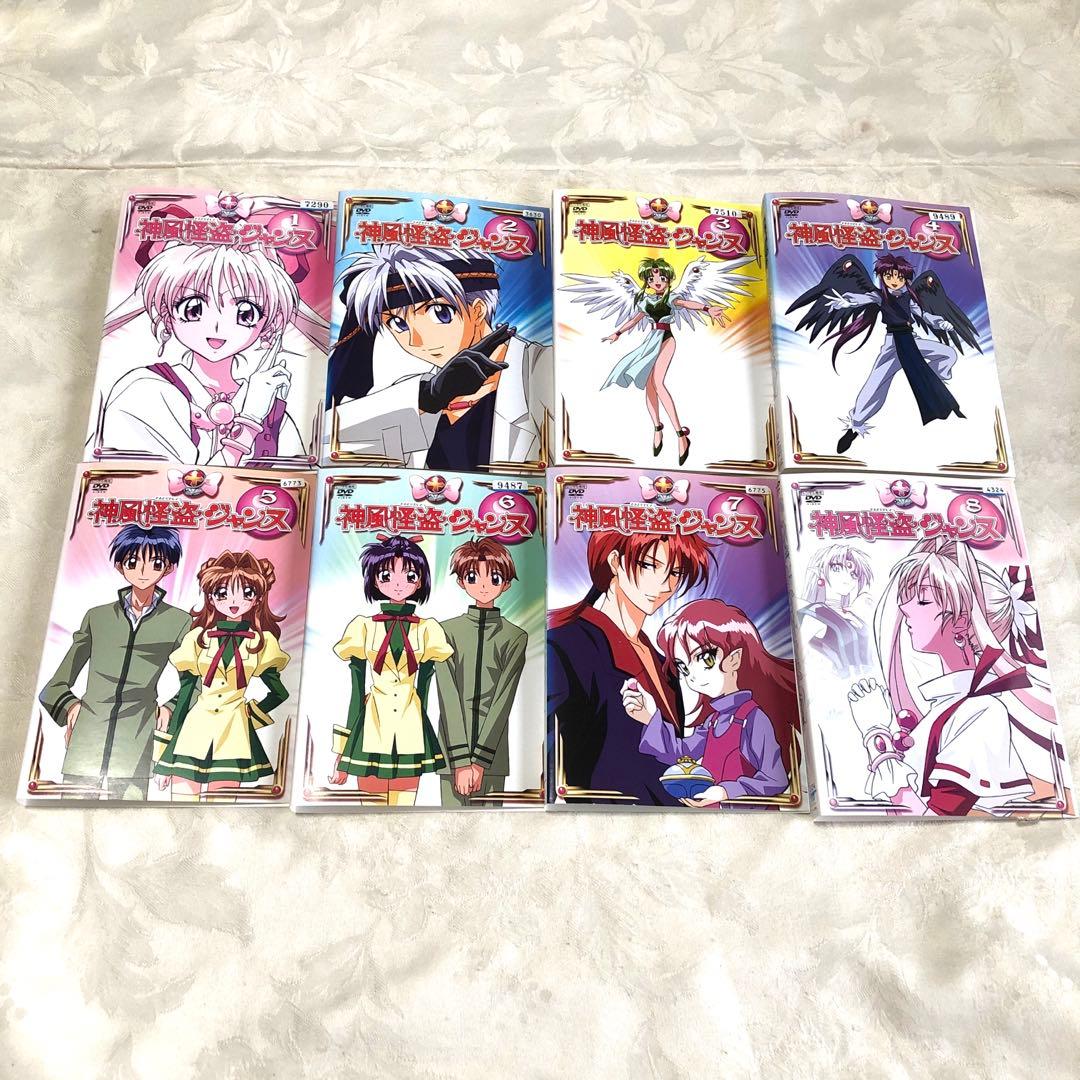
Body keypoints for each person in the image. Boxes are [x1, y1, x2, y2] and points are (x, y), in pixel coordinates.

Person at [328, 244, 550, 468]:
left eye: (440, 313)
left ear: (478, 310)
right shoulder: (422, 393)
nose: (415, 341)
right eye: (398, 323)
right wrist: (429, 398)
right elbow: (326, 445)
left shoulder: (542, 368)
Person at [547, 529, 710, 804]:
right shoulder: (568, 644)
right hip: (603, 815)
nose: (664, 585)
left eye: (674, 572)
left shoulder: (664, 664)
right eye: (649, 566)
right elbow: (550, 751)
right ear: (615, 562)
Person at [38, 524, 190, 800]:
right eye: (133, 562)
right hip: (87, 737)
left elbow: (197, 683)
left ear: (168, 568)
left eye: (155, 563)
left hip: (138, 738)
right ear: (120, 566)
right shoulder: (97, 617)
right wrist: (70, 706)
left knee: (128, 815)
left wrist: (170, 709)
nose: (143, 571)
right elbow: (55, 685)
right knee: (69, 814)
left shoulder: (179, 621)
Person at [622, 598, 796, 807]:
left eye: (705, 659)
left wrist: (725, 791)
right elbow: (681, 752)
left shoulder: (753, 719)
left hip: (750, 820)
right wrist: (649, 716)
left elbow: (775, 779)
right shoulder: (713, 721)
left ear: (734, 659)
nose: (692, 676)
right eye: (683, 666)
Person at [328, 534, 453, 806]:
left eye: (409, 576)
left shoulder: (428, 629)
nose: (398, 584)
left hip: (411, 727)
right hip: (370, 725)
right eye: (386, 575)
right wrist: (343, 750)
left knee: (404, 811)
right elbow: (356, 689)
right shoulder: (363, 627)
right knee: (369, 814)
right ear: (374, 580)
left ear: (419, 581)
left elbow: (425, 688)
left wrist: (422, 731)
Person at [154, 551, 289, 800]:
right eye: (223, 593)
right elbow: (185, 696)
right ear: (211, 597)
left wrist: (250, 715)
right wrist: (165, 757)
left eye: (246, 593)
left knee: (222, 809)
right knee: (181, 805)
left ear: (257, 599)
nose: (234, 601)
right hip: (194, 729)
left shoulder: (262, 642)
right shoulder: (197, 639)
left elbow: (279, 692)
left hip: (234, 733)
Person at [435, 538, 529, 806]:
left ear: (506, 584)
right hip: (451, 759)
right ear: (461, 582)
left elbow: (503, 702)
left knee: (491, 828)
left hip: (493, 758)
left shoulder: (515, 636)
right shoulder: (446, 632)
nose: (484, 585)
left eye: (494, 578)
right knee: (449, 826)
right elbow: (448, 698)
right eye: (473, 577)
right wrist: (461, 761)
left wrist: (479, 763)